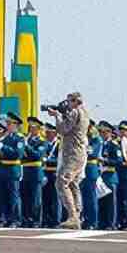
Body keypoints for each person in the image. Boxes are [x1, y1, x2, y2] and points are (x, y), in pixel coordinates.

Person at [47, 92, 89, 230]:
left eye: (70, 101)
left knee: (61, 182)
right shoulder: (84, 112)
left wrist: (58, 116)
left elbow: (62, 129)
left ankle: (73, 216)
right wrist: (63, 114)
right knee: (73, 184)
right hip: (78, 153)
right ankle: (76, 214)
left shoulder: (76, 112)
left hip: (72, 154)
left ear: (76, 101)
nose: (68, 103)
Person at [0, 113, 24, 227]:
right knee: (2, 195)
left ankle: (15, 220)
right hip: (2, 168)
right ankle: (3, 219)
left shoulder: (19, 138)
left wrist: (3, 147)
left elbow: (18, 154)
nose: (7, 125)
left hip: (12, 169)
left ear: (16, 125)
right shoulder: (4, 136)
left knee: (13, 195)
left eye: (9, 123)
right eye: (7, 123)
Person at [20, 117, 48, 228]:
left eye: (33, 127)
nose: (31, 129)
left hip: (35, 172)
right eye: (29, 127)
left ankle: (36, 220)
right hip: (25, 170)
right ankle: (26, 219)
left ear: (38, 129)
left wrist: (27, 146)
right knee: (25, 196)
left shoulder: (42, 142)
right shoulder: (27, 140)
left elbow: (37, 155)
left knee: (36, 198)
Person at [96, 121, 122, 230]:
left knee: (110, 202)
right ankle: (101, 222)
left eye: (104, 132)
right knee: (100, 200)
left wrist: (105, 160)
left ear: (109, 132)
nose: (101, 134)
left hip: (109, 175)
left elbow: (119, 160)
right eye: (100, 132)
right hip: (99, 175)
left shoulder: (114, 145)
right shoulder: (98, 144)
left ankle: (111, 223)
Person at [80, 121, 102, 230]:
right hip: (81, 169)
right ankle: (85, 220)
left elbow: (92, 153)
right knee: (83, 197)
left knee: (91, 197)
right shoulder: (81, 138)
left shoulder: (95, 140)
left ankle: (93, 221)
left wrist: (84, 147)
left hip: (90, 170)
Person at [41, 122, 61, 228]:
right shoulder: (45, 144)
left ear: (55, 133)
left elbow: (61, 159)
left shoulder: (59, 144)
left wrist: (48, 160)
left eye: (49, 132)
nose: (47, 134)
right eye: (46, 132)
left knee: (55, 198)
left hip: (55, 172)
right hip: (45, 172)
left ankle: (55, 220)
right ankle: (46, 219)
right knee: (46, 197)